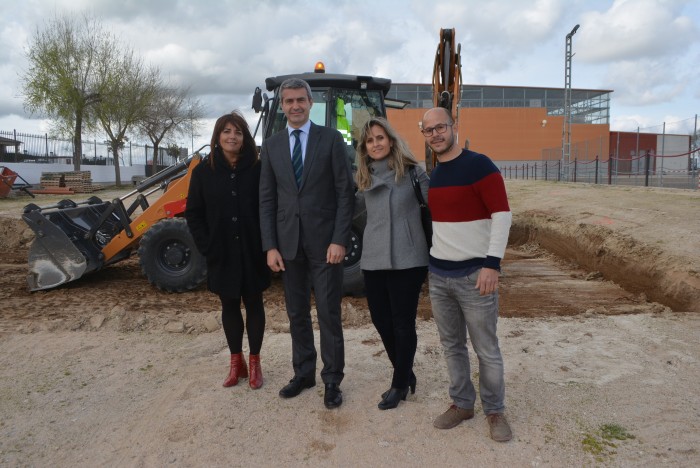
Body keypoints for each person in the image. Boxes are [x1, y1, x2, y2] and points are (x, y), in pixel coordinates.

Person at [259, 78, 354, 409]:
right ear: (282, 105)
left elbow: (345, 192)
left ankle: (332, 380)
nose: (295, 106)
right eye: (289, 101)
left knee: (328, 314)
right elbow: (267, 199)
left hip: (326, 245)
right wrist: (270, 245)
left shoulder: (330, 140)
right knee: (296, 312)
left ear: (311, 103)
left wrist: (340, 239)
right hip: (288, 246)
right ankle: (303, 373)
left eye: (301, 100)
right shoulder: (270, 146)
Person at [420, 107, 513, 442]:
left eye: (440, 127)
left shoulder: (480, 165)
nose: (435, 135)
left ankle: (495, 410)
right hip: (440, 275)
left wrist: (492, 264)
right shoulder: (435, 173)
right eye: (428, 131)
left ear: (454, 126)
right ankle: (462, 403)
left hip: (475, 275)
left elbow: (502, 216)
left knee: (485, 347)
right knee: (451, 345)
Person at [185, 111, 270, 390]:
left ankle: (255, 362)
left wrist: (267, 244)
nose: (232, 136)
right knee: (229, 306)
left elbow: (269, 208)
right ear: (217, 138)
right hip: (221, 252)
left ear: (245, 138)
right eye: (227, 132)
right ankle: (237, 364)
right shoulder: (202, 172)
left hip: (253, 250)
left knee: (254, 304)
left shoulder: (258, 169)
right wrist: (208, 246)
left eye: (238, 132)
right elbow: (194, 214)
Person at [354, 117, 430, 410]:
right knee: (380, 320)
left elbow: (437, 208)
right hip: (374, 259)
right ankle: (406, 371)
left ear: (391, 140)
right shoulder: (363, 178)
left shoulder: (413, 174)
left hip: (408, 259)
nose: (376, 144)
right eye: (370, 140)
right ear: (365, 147)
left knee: (402, 323)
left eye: (380, 138)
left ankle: (399, 384)